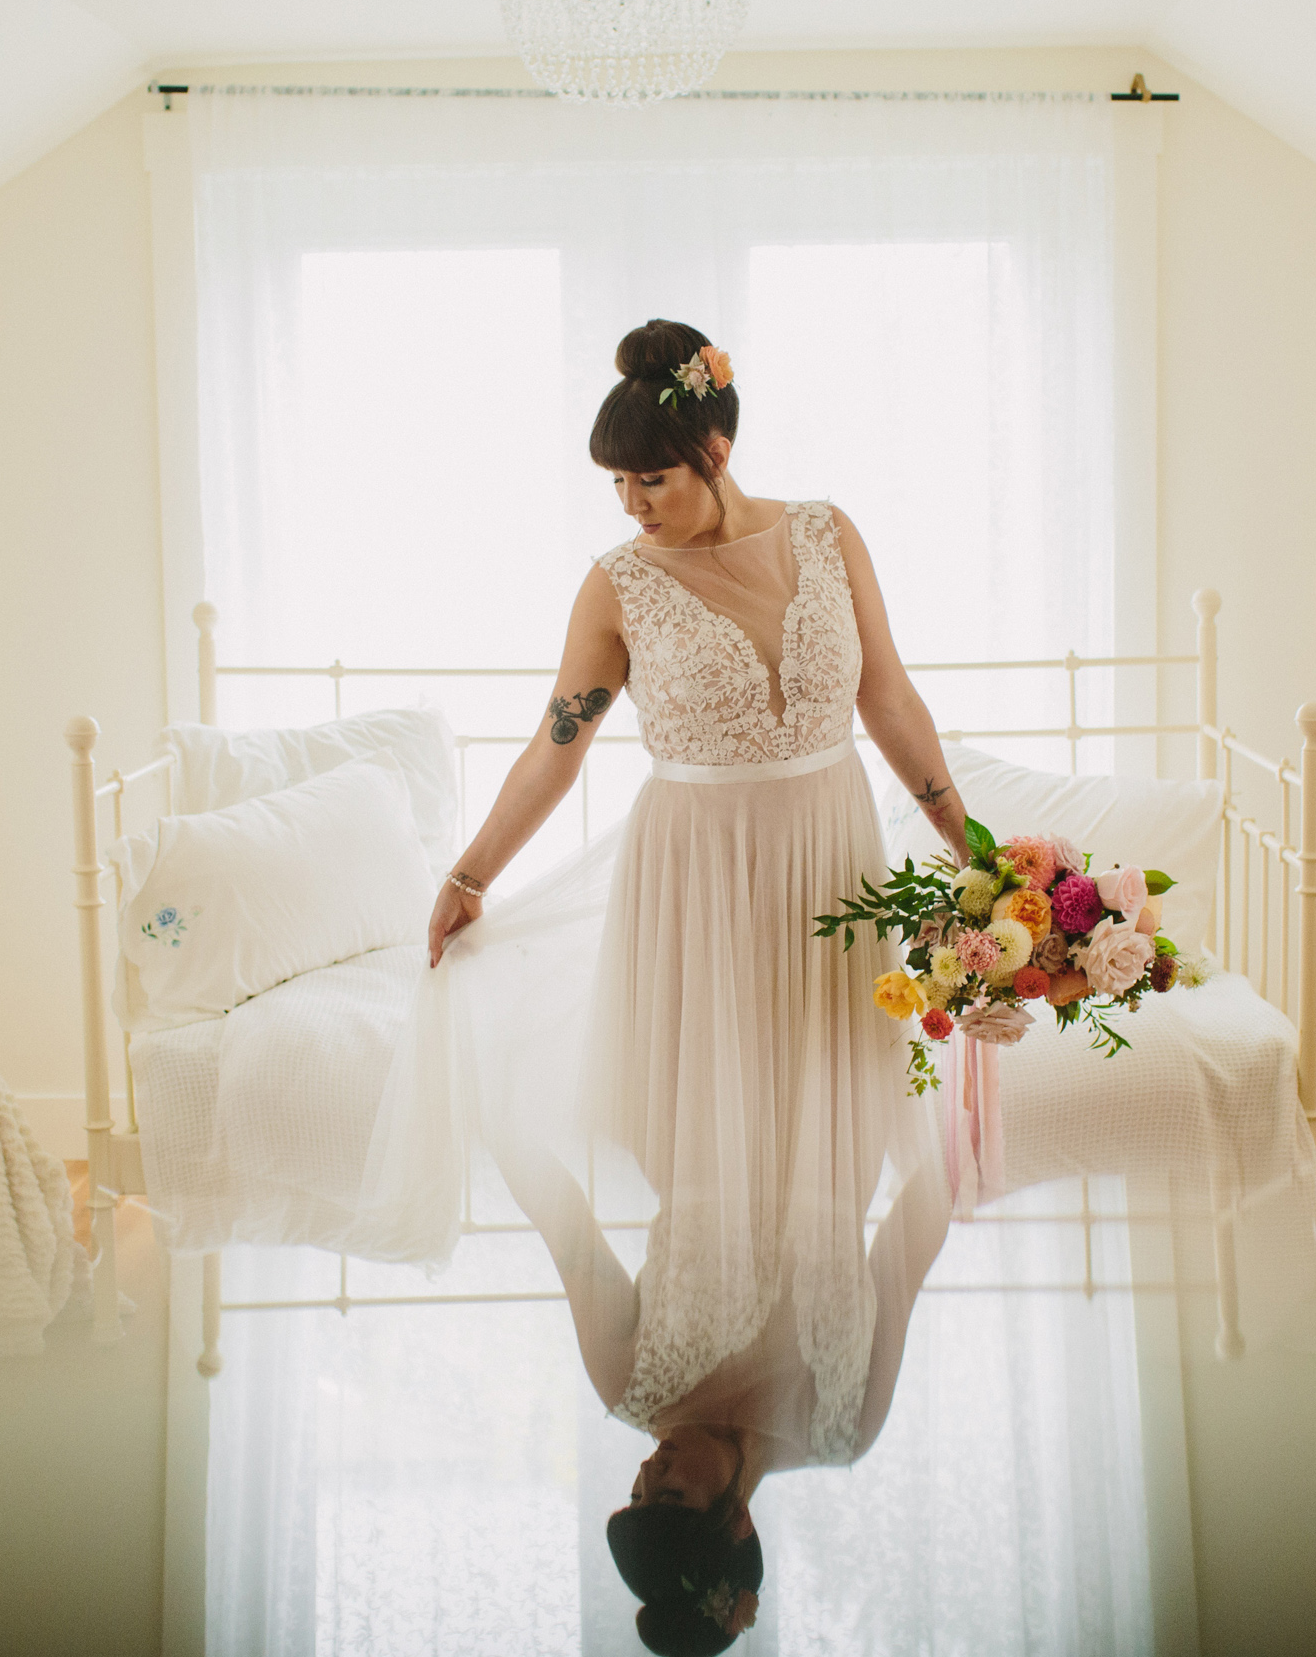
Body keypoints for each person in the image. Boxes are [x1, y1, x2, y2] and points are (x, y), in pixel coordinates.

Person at [424, 319, 965, 1649]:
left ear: (714, 449)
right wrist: (474, 869)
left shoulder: (830, 535)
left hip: (829, 857)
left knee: (818, 1084)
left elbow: (888, 697)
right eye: (617, 486)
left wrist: (975, 852)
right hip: (697, 881)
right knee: (742, 1123)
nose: (631, 505)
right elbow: (560, 744)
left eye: (649, 479)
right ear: (731, 1527)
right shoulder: (619, 582)